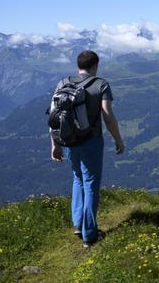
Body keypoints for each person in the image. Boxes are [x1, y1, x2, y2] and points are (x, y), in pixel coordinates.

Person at [50, 50, 125, 248]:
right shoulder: (101, 84)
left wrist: (55, 145)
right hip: (91, 140)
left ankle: (78, 224)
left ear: (78, 65)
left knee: (78, 178)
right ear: (95, 65)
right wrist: (118, 139)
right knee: (91, 182)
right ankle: (89, 234)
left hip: (69, 140)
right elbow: (108, 115)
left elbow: (54, 116)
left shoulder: (63, 83)